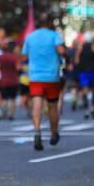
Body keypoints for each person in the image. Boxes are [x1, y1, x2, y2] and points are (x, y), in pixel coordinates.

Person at [22, 13, 65, 152]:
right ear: (50, 23)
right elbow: (61, 50)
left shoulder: (30, 37)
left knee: (37, 102)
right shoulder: (54, 36)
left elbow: (24, 55)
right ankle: (53, 134)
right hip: (51, 76)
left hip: (35, 76)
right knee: (52, 106)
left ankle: (36, 131)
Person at [0, 38, 21, 121]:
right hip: (14, 81)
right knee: (13, 99)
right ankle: (11, 114)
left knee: (4, 98)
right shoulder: (15, 57)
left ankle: (4, 111)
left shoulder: (1, 56)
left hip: (3, 81)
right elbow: (18, 68)